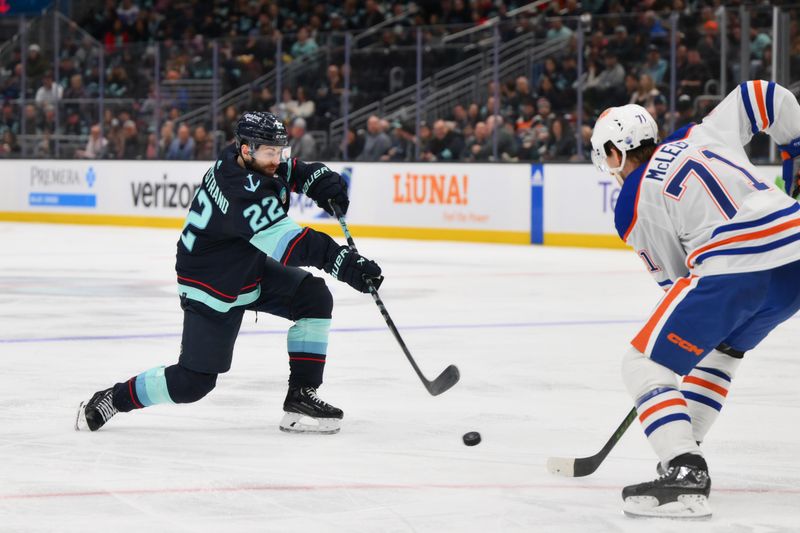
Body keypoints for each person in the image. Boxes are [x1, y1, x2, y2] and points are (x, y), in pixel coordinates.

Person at [76, 111, 383, 435]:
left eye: (279, 150)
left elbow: (289, 171)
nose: (276, 159)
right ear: (247, 149)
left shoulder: (238, 158)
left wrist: (318, 179)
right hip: (210, 286)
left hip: (243, 269)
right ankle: (114, 397)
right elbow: (294, 246)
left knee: (313, 298)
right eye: (269, 152)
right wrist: (347, 264)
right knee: (193, 383)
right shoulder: (241, 192)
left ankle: (300, 397)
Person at [590, 80, 800, 519]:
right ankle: (682, 450)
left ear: (614, 153)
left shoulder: (631, 201)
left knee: (644, 364)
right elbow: (762, 94)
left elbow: (677, 278)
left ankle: (686, 470)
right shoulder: (700, 131)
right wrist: (795, 145)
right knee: (721, 354)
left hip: (734, 265)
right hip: (793, 252)